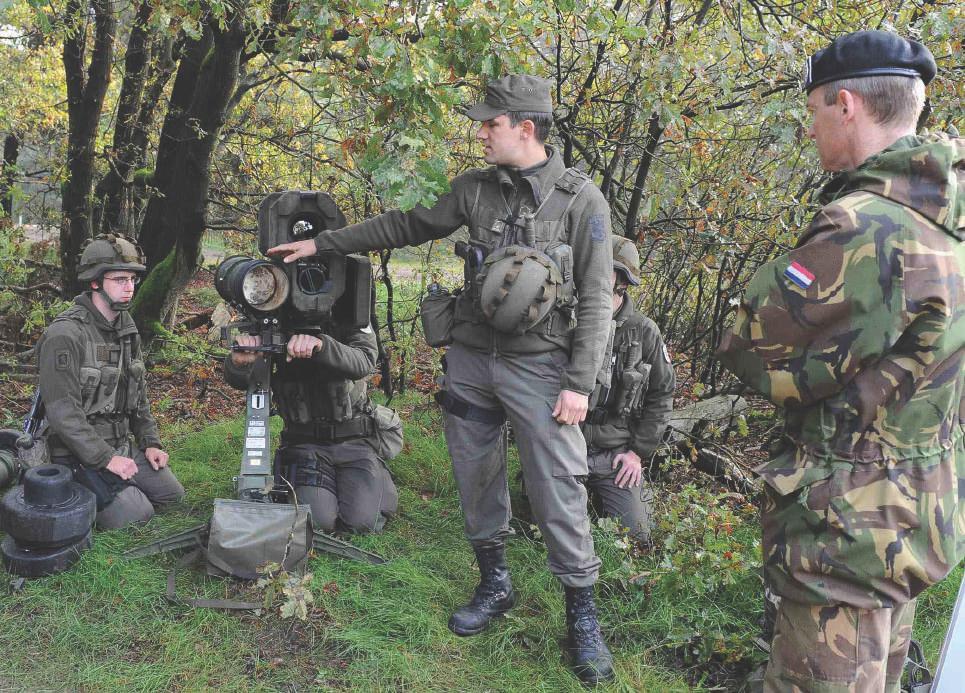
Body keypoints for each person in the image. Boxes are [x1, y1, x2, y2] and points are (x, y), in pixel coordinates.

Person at [268, 74, 615, 684]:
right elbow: (406, 226)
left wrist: (580, 385)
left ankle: (581, 617)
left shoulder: (582, 201)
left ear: (525, 128)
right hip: (473, 361)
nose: (480, 133)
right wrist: (324, 241)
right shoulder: (475, 190)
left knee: (560, 485)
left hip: (543, 368)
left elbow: (596, 298)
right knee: (475, 474)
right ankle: (494, 583)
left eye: (491, 124)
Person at [716, 31, 964, 692]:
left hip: (844, 542)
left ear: (845, 104)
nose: (811, 130)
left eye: (814, 113)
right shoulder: (946, 216)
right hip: (908, 522)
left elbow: (752, 348)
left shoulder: (865, 228)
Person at [37, 234, 184, 529]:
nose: (129, 288)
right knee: (137, 515)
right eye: (119, 280)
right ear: (94, 282)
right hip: (76, 452)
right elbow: (63, 414)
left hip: (121, 444)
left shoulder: (125, 327)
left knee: (172, 496)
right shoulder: (66, 335)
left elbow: (138, 396)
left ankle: (121, 488)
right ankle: (88, 493)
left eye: (132, 279)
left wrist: (150, 442)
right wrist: (106, 459)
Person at [223, 323, 400, 534]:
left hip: (355, 442)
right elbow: (240, 379)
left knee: (362, 523)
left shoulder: (352, 311)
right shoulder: (269, 315)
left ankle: (374, 477)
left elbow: (364, 361)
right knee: (316, 523)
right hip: (305, 445)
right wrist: (239, 363)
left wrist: (322, 346)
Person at [581, 236, 674, 542]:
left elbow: (662, 395)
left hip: (616, 450)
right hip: (568, 443)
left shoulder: (644, 331)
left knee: (636, 539)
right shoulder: (569, 320)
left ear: (623, 286)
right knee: (547, 530)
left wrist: (637, 453)